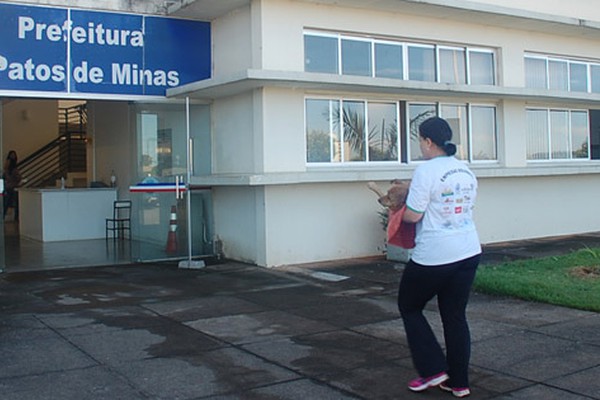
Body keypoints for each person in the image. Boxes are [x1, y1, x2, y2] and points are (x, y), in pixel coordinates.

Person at [398, 117, 481, 398]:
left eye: (420, 140)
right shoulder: (465, 170)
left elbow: (413, 215)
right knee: (455, 316)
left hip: (435, 254)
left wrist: (399, 210)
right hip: (468, 251)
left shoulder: (426, 170)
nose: (420, 145)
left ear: (429, 142)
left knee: (409, 306)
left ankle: (433, 370)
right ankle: (458, 383)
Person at [3, 150, 22, 221]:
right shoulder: (11, 167)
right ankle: (15, 217)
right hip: (11, 186)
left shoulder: (12, 167)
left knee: (9, 202)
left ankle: (15, 217)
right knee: (8, 202)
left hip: (11, 186)